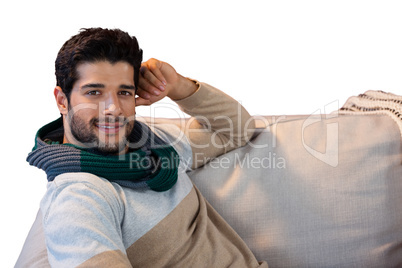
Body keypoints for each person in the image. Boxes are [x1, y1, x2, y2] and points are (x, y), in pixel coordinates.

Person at [16, 27, 267, 267]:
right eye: (94, 92)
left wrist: (178, 86)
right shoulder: (78, 198)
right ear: (62, 100)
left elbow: (236, 131)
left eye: (124, 93)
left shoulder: (152, 144)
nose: (113, 108)